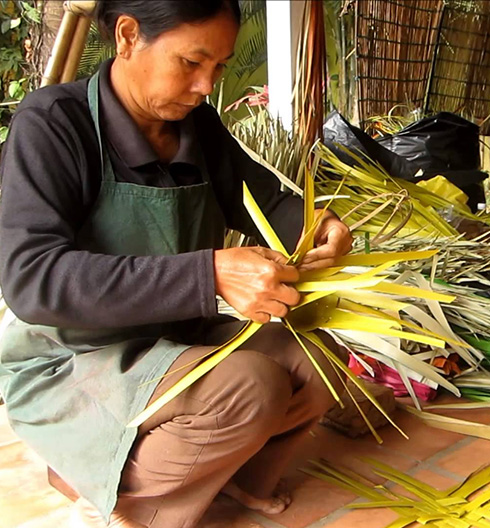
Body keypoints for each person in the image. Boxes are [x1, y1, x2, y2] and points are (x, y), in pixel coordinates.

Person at [0, 1, 353, 527]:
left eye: (219, 66)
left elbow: (260, 201)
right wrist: (209, 273)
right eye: (191, 62)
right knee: (250, 388)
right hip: (76, 356)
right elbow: (32, 278)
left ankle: (235, 476)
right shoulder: (55, 125)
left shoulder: (197, 126)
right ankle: (98, 474)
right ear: (127, 36)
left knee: (320, 357)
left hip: (177, 335)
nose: (207, 85)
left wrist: (317, 224)